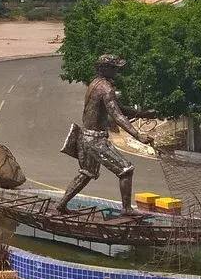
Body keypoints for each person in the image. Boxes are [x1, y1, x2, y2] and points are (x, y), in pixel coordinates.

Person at [56, 54, 157, 216]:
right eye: (114, 68)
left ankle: (61, 204)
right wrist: (138, 136)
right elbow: (117, 115)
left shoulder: (95, 84)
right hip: (96, 140)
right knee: (126, 169)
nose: (117, 71)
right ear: (105, 69)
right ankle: (126, 209)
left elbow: (117, 107)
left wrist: (141, 114)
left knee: (86, 174)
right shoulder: (106, 88)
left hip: (85, 136)